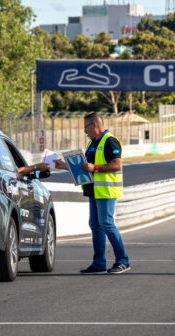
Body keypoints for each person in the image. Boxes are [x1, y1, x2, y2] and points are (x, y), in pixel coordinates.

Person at [55, 112, 130, 275]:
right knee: (95, 225)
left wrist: (95, 168)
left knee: (106, 223)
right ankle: (99, 263)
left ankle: (123, 260)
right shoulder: (93, 143)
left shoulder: (110, 141)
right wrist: (63, 166)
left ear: (94, 125)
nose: (85, 131)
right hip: (94, 190)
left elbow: (117, 165)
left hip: (106, 190)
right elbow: (85, 167)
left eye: (86, 127)